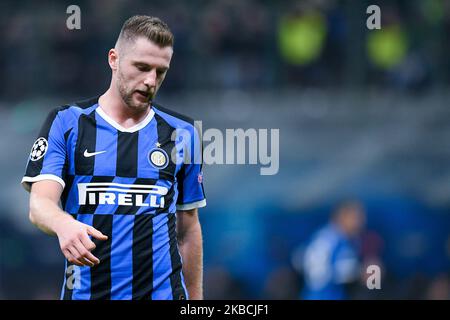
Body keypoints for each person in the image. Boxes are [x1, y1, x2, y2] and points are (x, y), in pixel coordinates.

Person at [21, 15, 206, 300]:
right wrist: (63, 224)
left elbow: (188, 229)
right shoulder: (67, 123)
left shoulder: (182, 134)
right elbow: (40, 204)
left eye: (160, 71)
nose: (150, 81)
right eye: (142, 67)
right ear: (114, 59)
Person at [294, 201, 366, 300]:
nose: (360, 222)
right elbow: (316, 270)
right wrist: (358, 271)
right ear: (342, 217)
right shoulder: (327, 239)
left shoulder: (351, 240)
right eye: (355, 217)